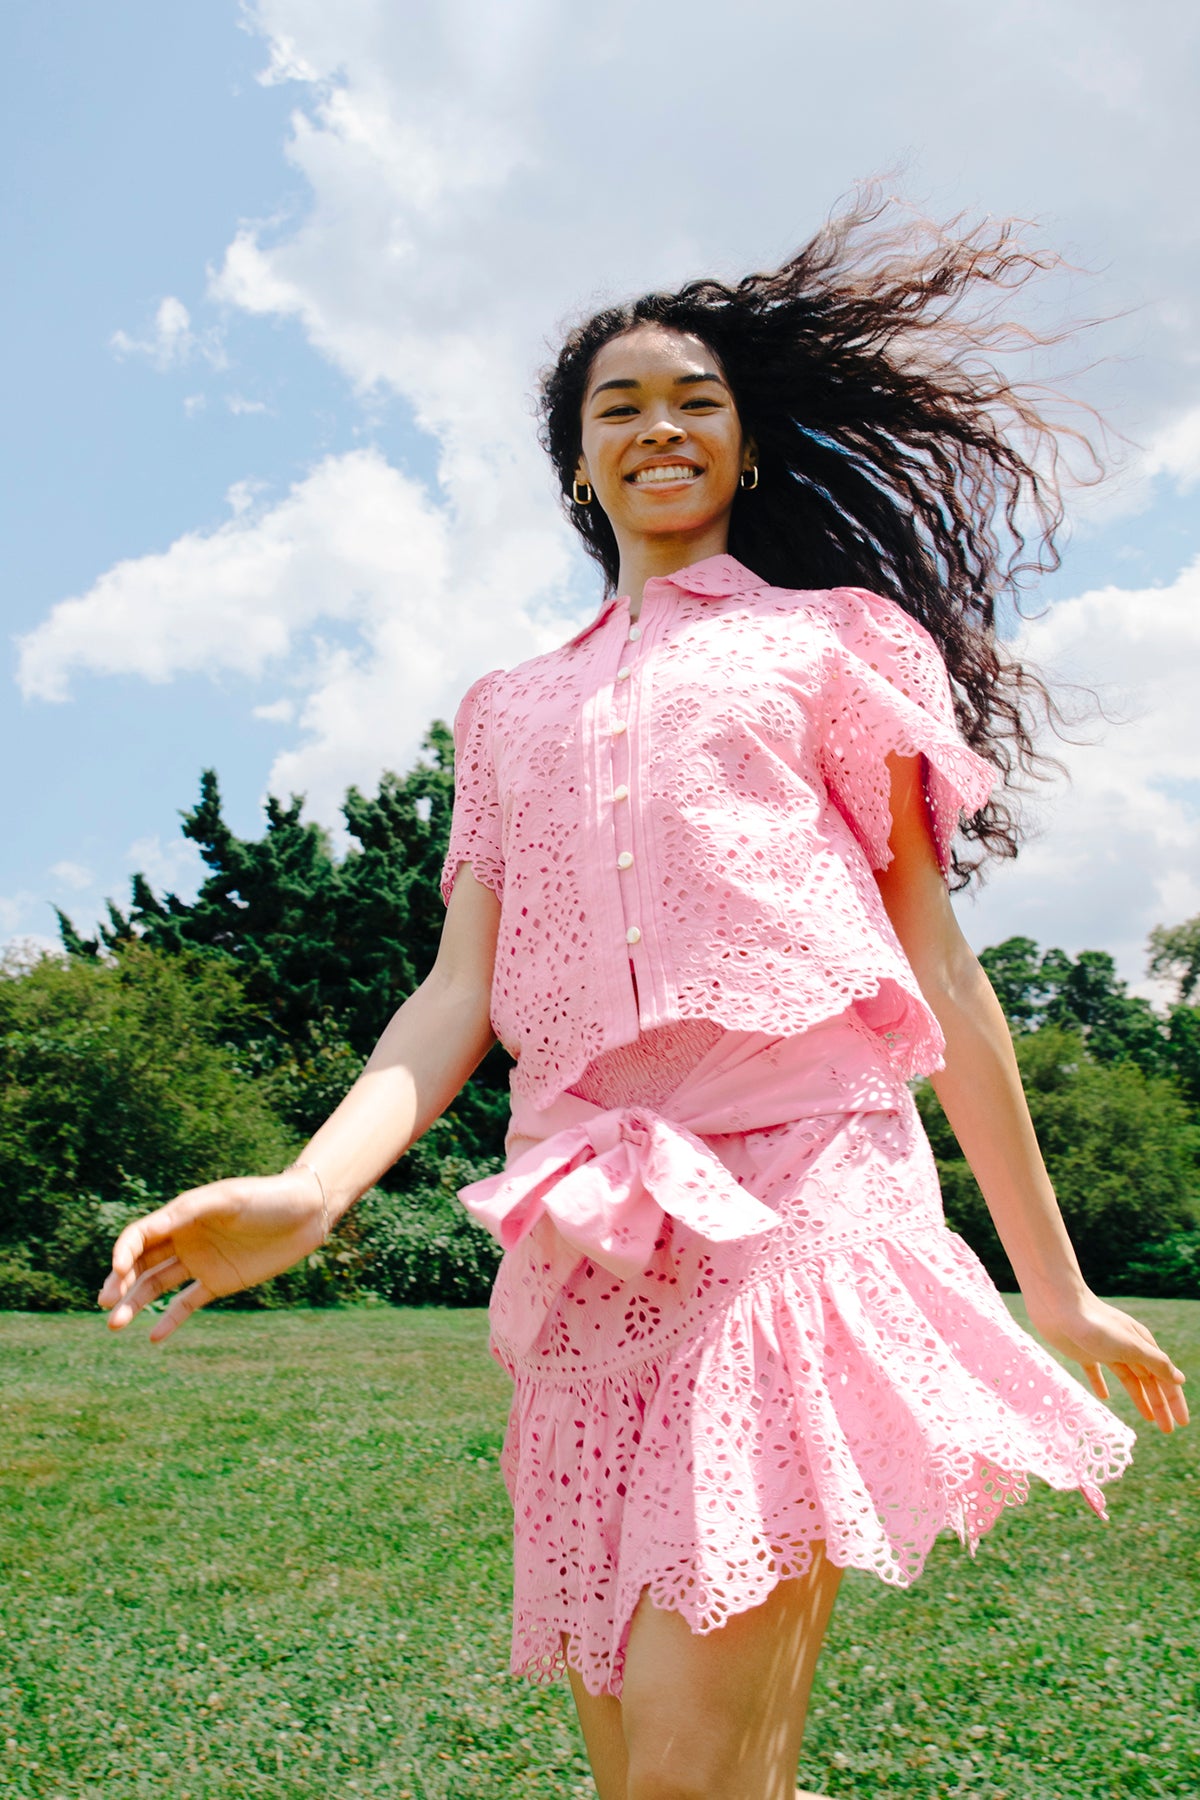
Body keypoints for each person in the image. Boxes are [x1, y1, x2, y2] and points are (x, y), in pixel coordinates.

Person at [101, 195, 1188, 1800]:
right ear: (577, 465)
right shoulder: (506, 711)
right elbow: (455, 990)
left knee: (689, 1775)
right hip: (590, 1244)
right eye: (620, 406)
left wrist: (1054, 1279)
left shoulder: (833, 646)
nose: (660, 426)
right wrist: (313, 1191)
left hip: (804, 1195)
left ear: (744, 452)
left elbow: (936, 966)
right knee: (644, 1771)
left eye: (697, 401)